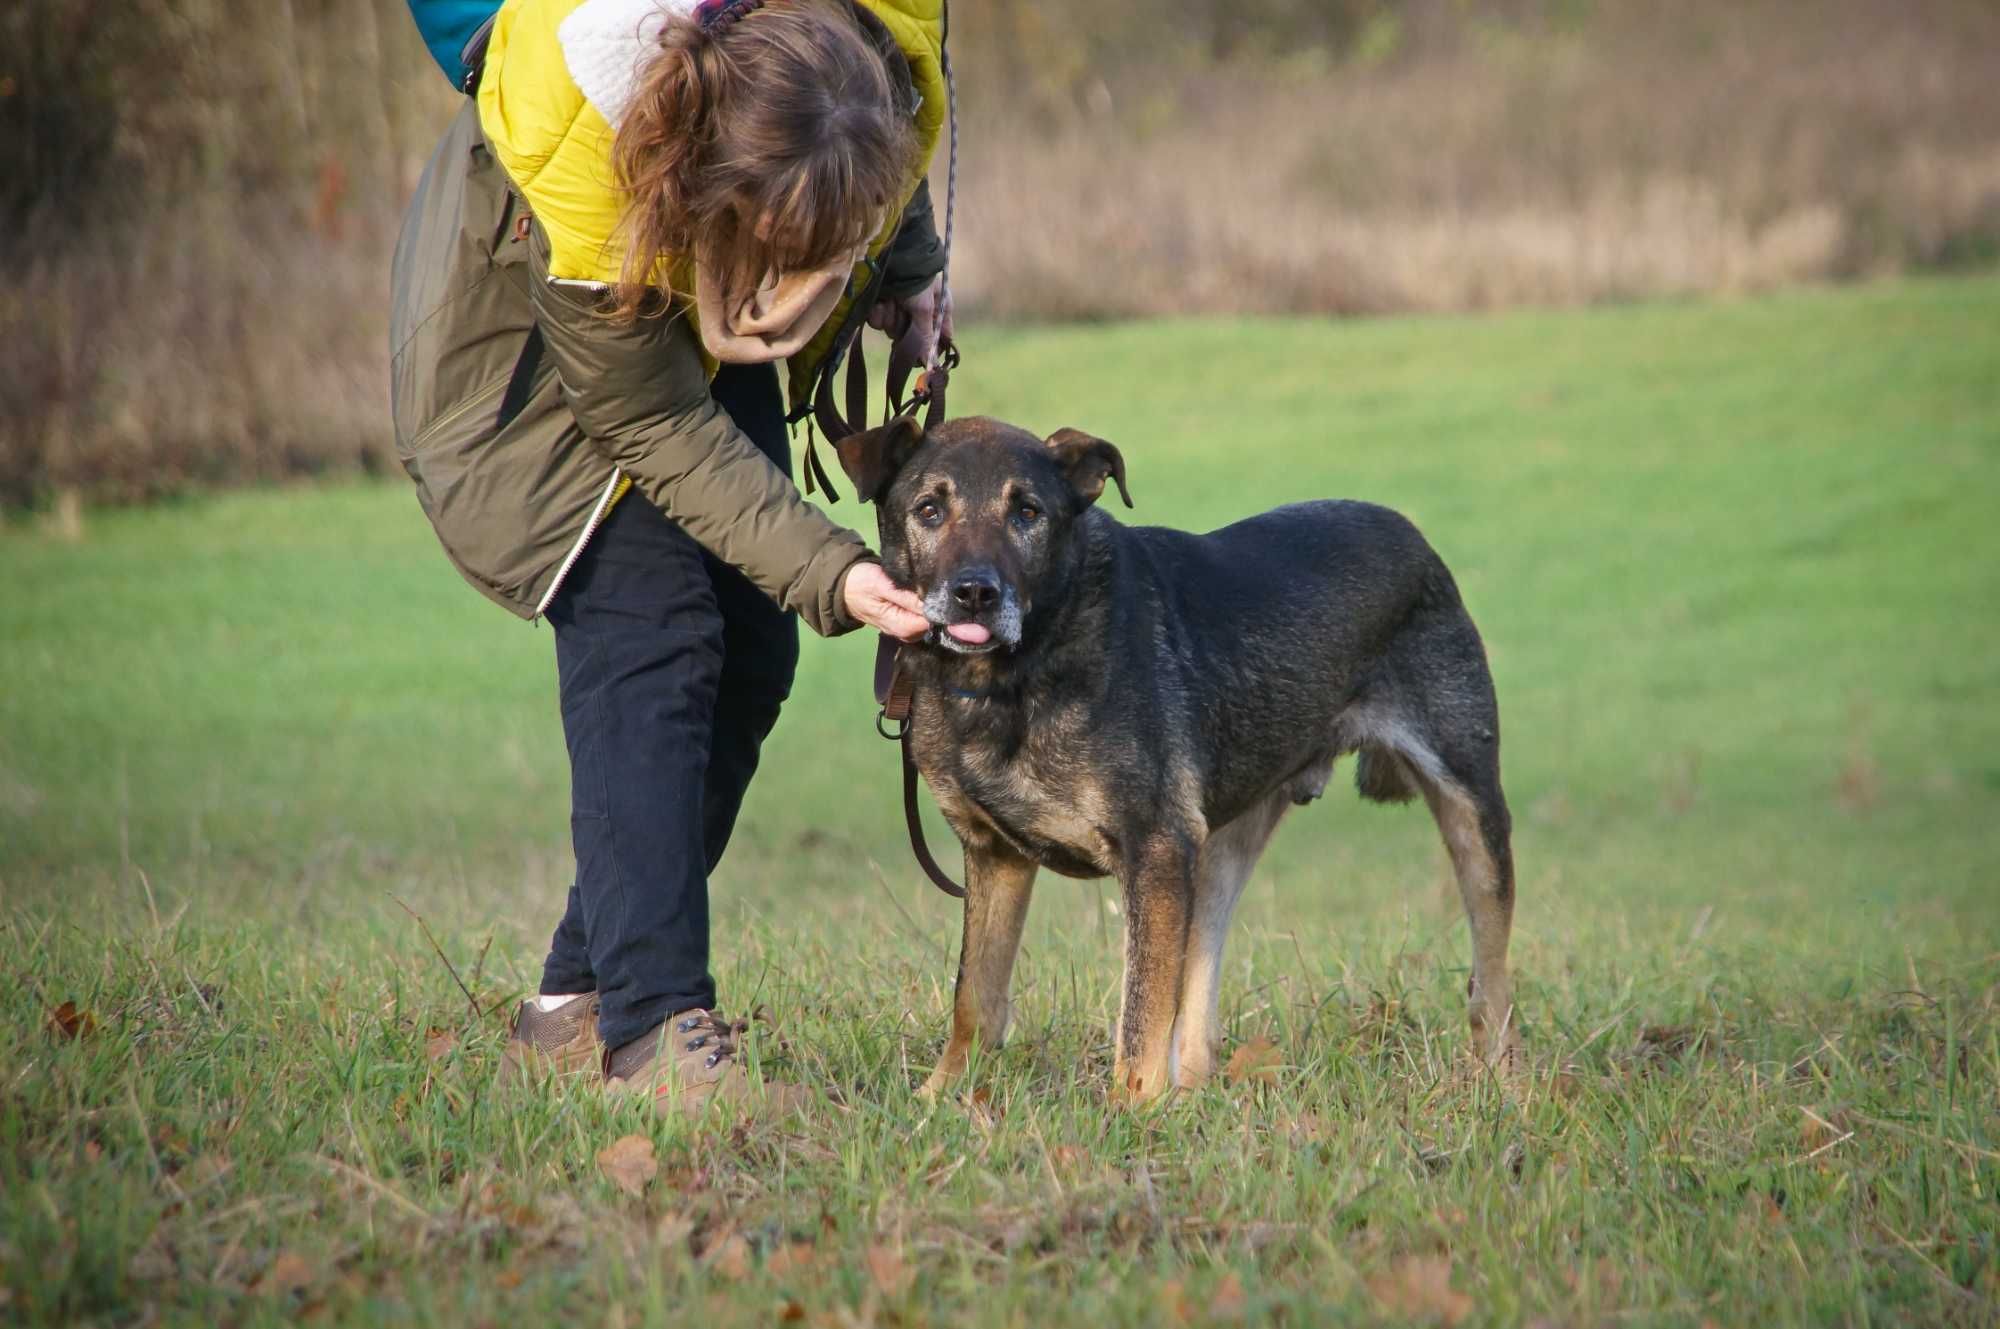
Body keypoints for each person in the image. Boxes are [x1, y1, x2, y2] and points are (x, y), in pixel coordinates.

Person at [388, 0, 951, 1111]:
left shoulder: (863, 37)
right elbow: (651, 424)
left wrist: (904, 266)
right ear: (715, 187)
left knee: (751, 655)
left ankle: (571, 1012)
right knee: (656, 633)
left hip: (693, 250)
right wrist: (834, 568)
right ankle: (654, 1041)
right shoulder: (582, 126)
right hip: (538, 336)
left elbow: (860, 109)